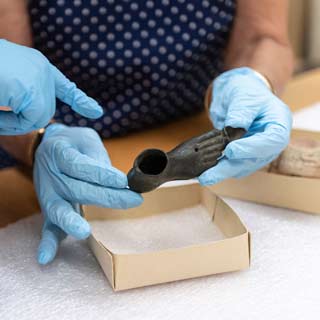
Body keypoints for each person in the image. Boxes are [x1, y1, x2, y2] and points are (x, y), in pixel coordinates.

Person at [0, 0, 293, 264]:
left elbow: (265, 37)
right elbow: (9, 83)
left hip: (188, 123)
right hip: (65, 142)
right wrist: (38, 140)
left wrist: (254, 80)